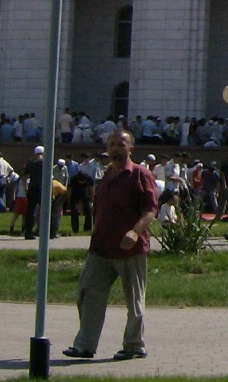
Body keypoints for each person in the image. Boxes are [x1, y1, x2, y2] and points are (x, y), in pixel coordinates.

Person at [63, 130, 159, 361]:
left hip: (130, 249)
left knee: (134, 301)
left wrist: (135, 232)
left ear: (130, 148)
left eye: (121, 144)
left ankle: (134, 346)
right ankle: (85, 345)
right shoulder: (106, 175)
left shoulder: (140, 175)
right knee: (88, 293)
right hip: (101, 249)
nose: (116, 148)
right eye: (112, 144)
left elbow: (150, 210)